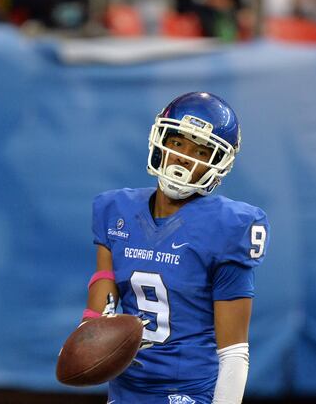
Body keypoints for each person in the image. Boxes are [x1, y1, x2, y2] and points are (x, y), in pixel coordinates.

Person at [84, 92, 270, 404]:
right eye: (178, 142)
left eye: (201, 150)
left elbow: (234, 353)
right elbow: (102, 294)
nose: (184, 156)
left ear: (218, 164)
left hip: (187, 394)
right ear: (160, 141)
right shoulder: (115, 210)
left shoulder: (228, 227)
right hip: (125, 392)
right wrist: (91, 327)